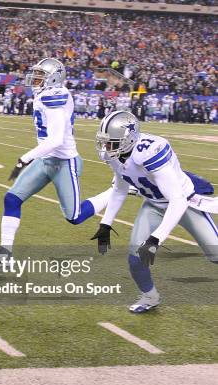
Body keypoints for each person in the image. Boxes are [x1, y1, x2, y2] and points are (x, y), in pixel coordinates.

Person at [92, 111, 217, 313]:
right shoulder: (116, 155)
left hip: (185, 203)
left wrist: (155, 239)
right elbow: (120, 187)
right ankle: (150, 296)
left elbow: (176, 200)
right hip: (153, 204)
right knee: (135, 257)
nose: (106, 147)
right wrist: (106, 223)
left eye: (111, 142)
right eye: (105, 142)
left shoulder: (149, 151)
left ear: (129, 139)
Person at [0, 58, 112, 256]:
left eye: (41, 75)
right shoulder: (44, 94)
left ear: (53, 79)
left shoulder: (55, 97)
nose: (35, 78)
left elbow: (56, 139)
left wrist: (24, 159)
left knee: (75, 217)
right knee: (11, 199)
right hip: (46, 160)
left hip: (64, 163)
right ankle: (4, 253)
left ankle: (116, 191)